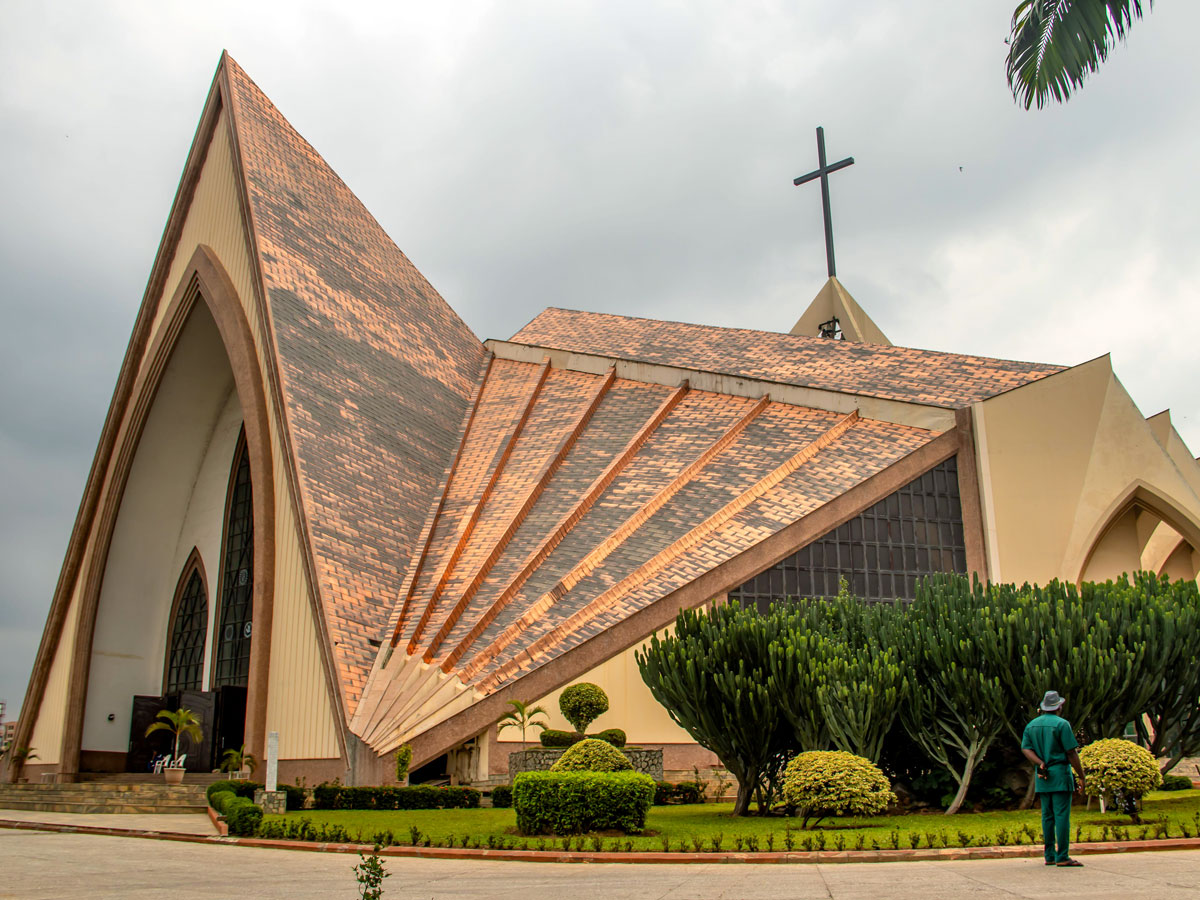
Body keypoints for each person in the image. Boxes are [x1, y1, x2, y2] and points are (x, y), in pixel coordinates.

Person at [1021, 690, 1087, 867]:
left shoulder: (1032, 725)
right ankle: (1062, 856)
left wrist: (1039, 763)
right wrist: (1081, 776)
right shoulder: (1062, 725)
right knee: (1061, 815)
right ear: (1059, 707)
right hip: (1059, 773)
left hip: (1042, 775)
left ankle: (1049, 854)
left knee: (1047, 816)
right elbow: (1071, 752)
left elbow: (1026, 748)